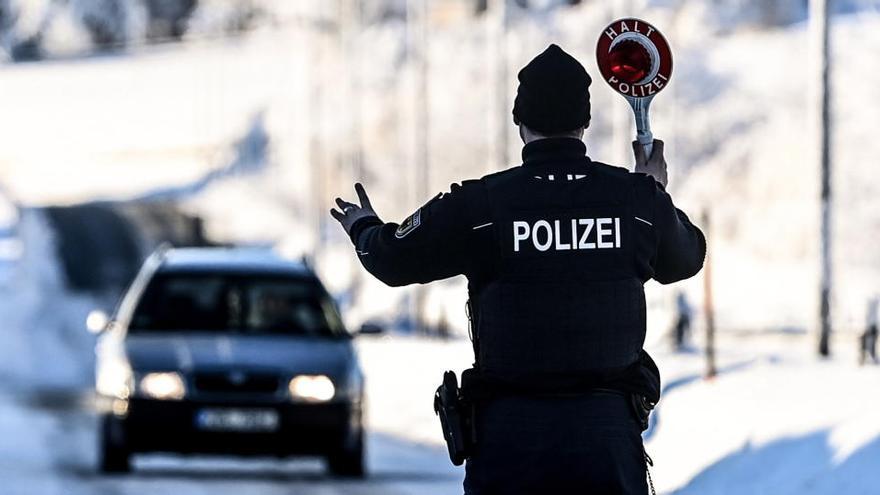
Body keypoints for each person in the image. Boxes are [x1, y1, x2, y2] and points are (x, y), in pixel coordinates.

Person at [331, 44, 706, 494]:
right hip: (607, 439)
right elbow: (687, 257)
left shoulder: (482, 204)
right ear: (584, 123)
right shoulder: (635, 202)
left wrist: (363, 227)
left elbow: (389, 260)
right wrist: (654, 191)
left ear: (519, 122)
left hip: (510, 442)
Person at [860, 297, 878, 365]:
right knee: (869, 341)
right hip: (871, 326)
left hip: (872, 326)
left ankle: (870, 355)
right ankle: (868, 356)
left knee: (871, 341)